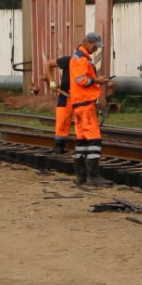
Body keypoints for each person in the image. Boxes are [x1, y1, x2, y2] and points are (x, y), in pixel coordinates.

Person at [69, 32, 114, 186]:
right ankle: (93, 176)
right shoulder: (81, 59)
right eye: (94, 46)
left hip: (78, 105)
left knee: (81, 141)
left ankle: (80, 176)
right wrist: (97, 80)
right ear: (86, 42)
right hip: (85, 104)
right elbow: (81, 80)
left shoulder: (79, 57)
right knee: (94, 140)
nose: (95, 49)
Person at [46, 53, 73, 155]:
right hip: (65, 96)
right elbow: (47, 64)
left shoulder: (87, 63)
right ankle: (59, 147)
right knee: (62, 123)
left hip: (79, 97)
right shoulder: (68, 60)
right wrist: (51, 81)